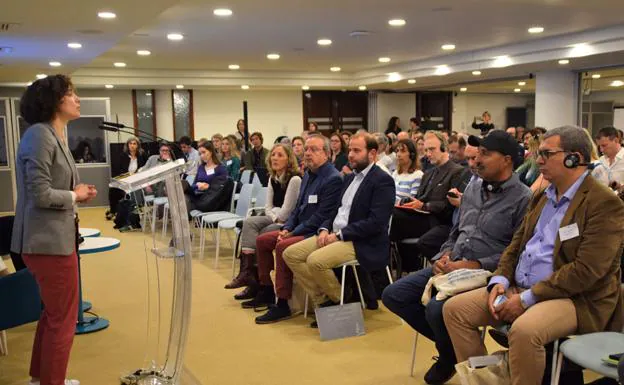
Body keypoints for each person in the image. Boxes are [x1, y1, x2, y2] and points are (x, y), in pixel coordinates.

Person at [444, 125, 624, 385]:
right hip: (521, 287)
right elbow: (516, 246)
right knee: (455, 310)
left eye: (547, 154)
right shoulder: (542, 195)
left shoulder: (603, 203)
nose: (538, 160)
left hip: (576, 298)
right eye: (538, 153)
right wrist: (500, 281)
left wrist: (528, 298)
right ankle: (485, 381)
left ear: (574, 157)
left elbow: (586, 272)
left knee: (525, 330)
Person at [383, 131, 531, 384]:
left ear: (506, 160)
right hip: (452, 266)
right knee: (394, 295)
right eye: (477, 154)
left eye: (485, 154)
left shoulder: (523, 199)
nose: (476, 161)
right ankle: (451, 351)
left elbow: (516, 253)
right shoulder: (473, 188)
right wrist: (444, 255)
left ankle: (456, 360)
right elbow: (456, 231)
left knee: (436, 309)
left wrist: (473, 264)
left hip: (486, 274)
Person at [12, 74, 97, 385]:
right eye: (71, 93)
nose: (77, 99)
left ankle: (41, 378)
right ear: (53, 101)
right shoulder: (39, 135)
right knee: (63, 319)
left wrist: (76, 191)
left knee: (52, 315)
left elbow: (52, 187)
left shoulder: (53, 133)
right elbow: (38, 194)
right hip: (46, 242)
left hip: (52, 238)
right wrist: (74, 195)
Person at [283, 133, 396, 326]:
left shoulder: (382, 181)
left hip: (361, 241)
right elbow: (335, 211)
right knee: (291, 254)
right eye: (350, 150)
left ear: (373, 153)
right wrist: (324, 229)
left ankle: (343, 301)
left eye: (356, 151)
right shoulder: (349, 178)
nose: (350, 155)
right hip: (335, 234)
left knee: (315, 261)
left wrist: (340, 235)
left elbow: (375, 223)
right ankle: (328, 300)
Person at [244, 134, 342, 324]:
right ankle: (265, 289)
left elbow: (321, 217)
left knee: (282, 247)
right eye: (306, 149)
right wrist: (287, 227)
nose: (307, 153)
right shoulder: (308, 175)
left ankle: (283, 303)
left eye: (314, 150)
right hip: (298, 228)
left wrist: (292, 232)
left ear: (327, 154)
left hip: (314, 231)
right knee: (262, 240)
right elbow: (297, 209)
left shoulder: (333, 179)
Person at [226, 144, 302, 299]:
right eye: (273, 154)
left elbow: (287, 212)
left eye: (280, 155)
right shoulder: (272, 177)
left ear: (289, 159)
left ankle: (261, 284)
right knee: (249, 222)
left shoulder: (294, 179)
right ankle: (248, 274)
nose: (275, 158)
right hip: (276, 216)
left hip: (288, 222)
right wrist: (275, 215)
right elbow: (268, 207)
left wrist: (275, 215)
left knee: (264, 233)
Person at [390, 131, 465, 268]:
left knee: (391, 219)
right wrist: (409, 202)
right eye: (426, 150)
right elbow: (419, 198)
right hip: (422, 218)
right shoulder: (429, 173)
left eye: (432, 149)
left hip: (439, 221)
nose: (428, 154)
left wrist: (424, 205)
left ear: (444, 148)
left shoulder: (457, 171)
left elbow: (450, 205)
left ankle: (390, 264)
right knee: (389, 214)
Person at [107, 136, 148, 220]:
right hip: (125, 178)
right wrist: (127, 175)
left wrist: (137, 174)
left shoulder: (142, 155)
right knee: (113, 188)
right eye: (130, 143)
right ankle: (113, 211)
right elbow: (119, 169)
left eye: (134, 144)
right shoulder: (123, 155)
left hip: (137, 179)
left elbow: (145, 167)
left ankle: (135, 208)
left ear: (138, 145)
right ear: (127, 145)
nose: (132, 145)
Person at [184, 142, 228, 213]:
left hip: (210, 198)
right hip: (198, 194)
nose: (202, 156)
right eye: (200, 154)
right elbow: (194, 185)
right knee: (185, 194)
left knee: (185, 199)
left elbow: (222, 189)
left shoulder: (220, 169)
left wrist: (208, 187)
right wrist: (198, 185)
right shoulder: (201, 168)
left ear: (211, 152)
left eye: (204, 152)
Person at [392, 139, 423, 204]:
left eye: (403, 151)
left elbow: (410, 201)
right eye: (397, 151)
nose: (398, 154)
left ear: (412, 155)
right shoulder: (395, 173)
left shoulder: (418, 175)